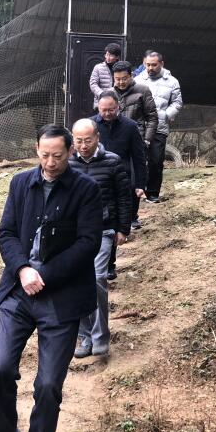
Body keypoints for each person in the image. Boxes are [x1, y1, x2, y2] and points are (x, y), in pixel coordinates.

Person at [0, 124, 103, 432]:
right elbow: (6, 233)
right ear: (37, 150)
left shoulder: (86, 189)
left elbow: (88, 243)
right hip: (19, 291)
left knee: (49, 384)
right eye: (44, 155)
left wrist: (45, 275)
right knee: (0, 368)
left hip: (62, 297)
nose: (50, 163)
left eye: (58, 156)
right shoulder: (20, 183)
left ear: (70, 151)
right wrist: (23, 269)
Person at [68, 118, 131, 358]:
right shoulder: (67, 163)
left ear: (97, 138)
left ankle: (100, 337)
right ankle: (85, 338)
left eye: (88, 140)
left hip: (103, 230)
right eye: (79, 141)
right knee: (75, 283)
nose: (83, 146)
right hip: (72, 234)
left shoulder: (113, 161)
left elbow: (123, 197)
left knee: (96, 279)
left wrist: (123, 228)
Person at [92, 90, 147, 279]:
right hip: (96, 179)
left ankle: (110, 264)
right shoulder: (91, 126)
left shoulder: (130, 127)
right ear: (98, 108)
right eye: (103, 110)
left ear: (119, 107)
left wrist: (140, 183)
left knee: (113, 222)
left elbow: (139, 157)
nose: (107, 113)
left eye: (111, 110)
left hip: (121, 179)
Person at [112, 60, 158, 229]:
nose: (121, 82)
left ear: (131, 76)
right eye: (117, 79)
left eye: (124, 78)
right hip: (116, 142)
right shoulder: (109, 93)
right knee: (116, 180)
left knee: (134, 181)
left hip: (137, 141)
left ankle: (133, 217)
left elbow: (152, 117)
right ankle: (116, 217)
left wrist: (147, 139)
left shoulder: (142, 90)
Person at [135, 51, 183, 203]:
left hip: (160, 127)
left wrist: (165, 115)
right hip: (140, 127)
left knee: (156, 161)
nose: (150, 68)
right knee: (138, 160)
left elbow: (177, 103)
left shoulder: (172, 82)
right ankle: (138, 190)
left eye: (154, 65)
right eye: (147, 65)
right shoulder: (137, 80)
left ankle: (153, 193)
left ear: (161, 64)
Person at [88, 42, 121, 109]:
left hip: (117, 103)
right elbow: (93, 84)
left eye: (111, 55)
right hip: (101, 103)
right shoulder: (98, 67)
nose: (108, 57)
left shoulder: (122, 68)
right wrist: (101, 94)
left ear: (117, 57)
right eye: (107, 54)